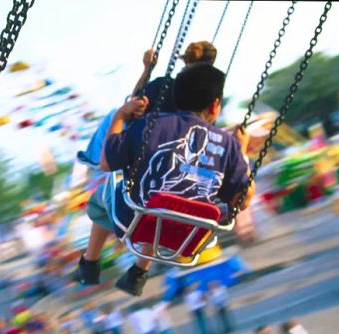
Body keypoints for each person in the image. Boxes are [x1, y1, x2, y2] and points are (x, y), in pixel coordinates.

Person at [73, 63, 254, 296]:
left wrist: (120, 115)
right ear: (215, 104)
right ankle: (138, 273)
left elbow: (107, 162)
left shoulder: (147, 127)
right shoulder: (228, 143)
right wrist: (243, 151)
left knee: (105, 199)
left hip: (136, 220)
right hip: (194, 234)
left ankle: (90, 263)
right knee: (166, 203)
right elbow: (245, 199)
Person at [77, 41, 218, 169]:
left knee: (116, 113)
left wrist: (147, 69)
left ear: (186, 61)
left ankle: (94, 157)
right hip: (185, 150)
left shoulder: (164, 85)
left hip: (150, 144)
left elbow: (136, 99)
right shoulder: (208, 100)